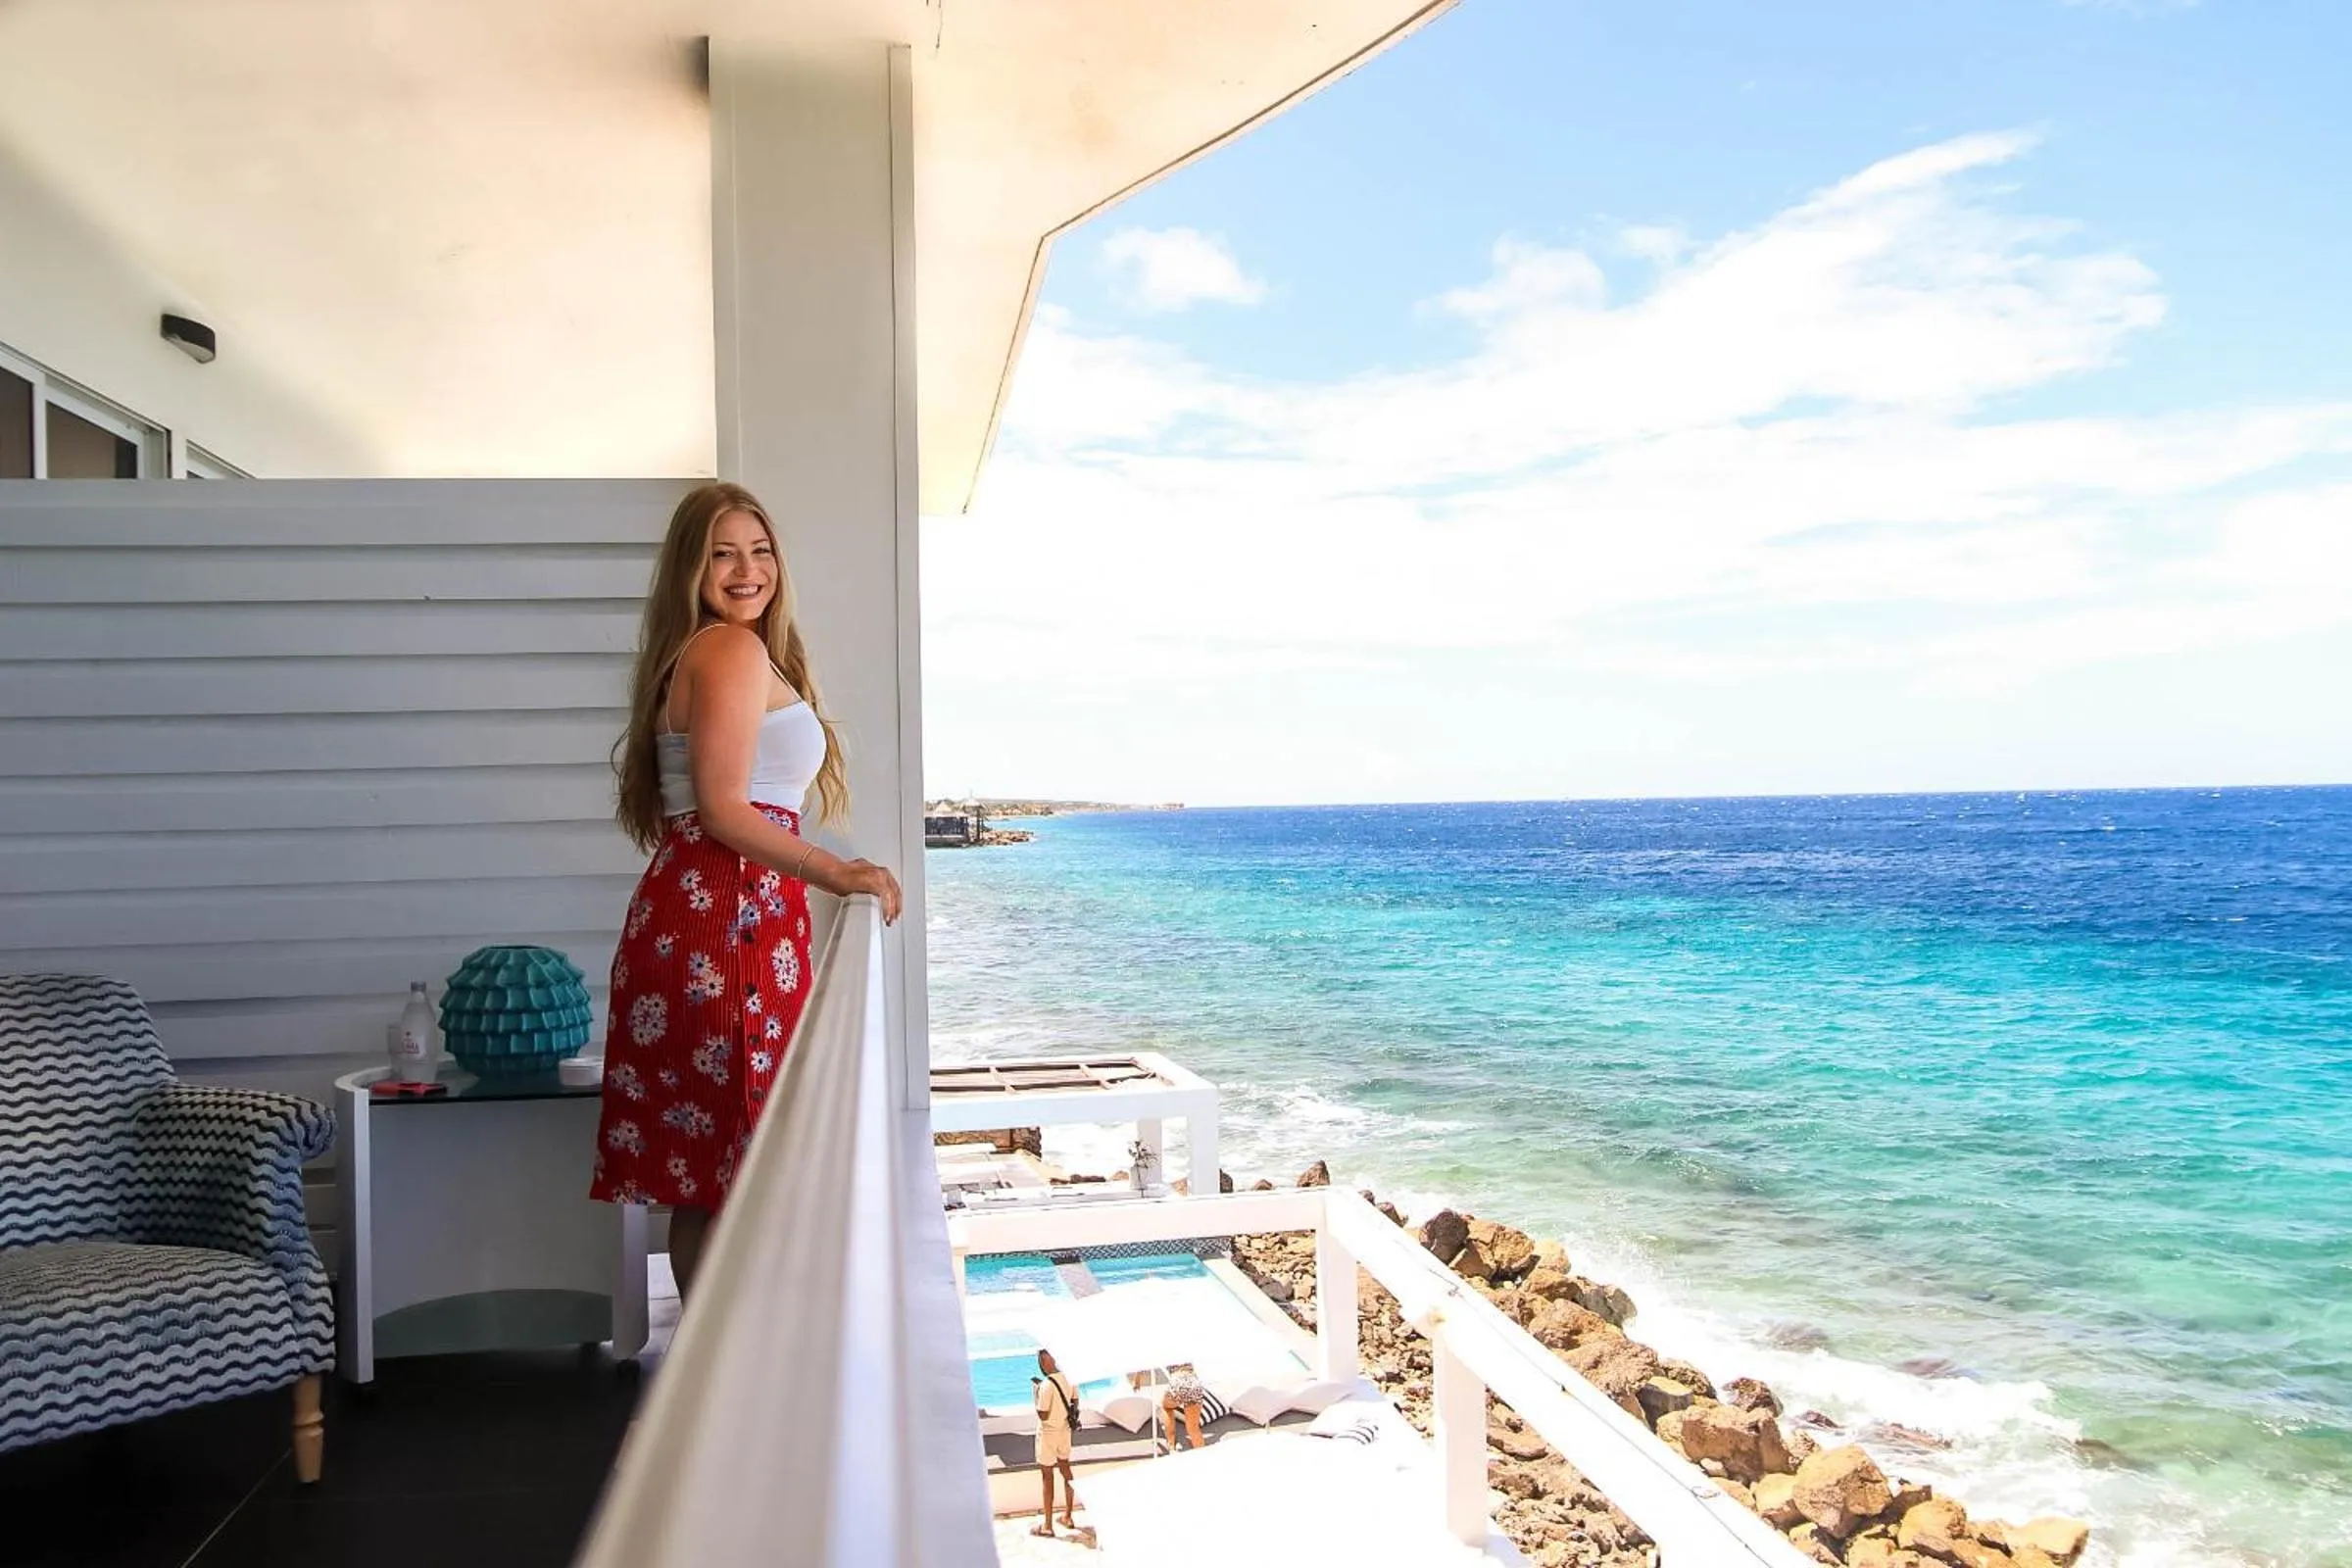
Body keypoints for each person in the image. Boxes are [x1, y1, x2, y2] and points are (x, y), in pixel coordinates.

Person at [590, 482, 902, 1297]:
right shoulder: (728, 649)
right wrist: (838, 870)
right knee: (744, 1173)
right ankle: (734, 1395)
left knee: (716, 1183)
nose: (746, 569)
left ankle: (708, 1394)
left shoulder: (702, 653)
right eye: (722, 552)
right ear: (691, 568)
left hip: (707, 920)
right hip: (729, 928)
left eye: (760, 550)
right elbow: (727, 810)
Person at [1031, 1348, 1081, 1537]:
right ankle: (1068, 1516)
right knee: (1066, 1469)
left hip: (1048, 1434)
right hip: (1064, 1431)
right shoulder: (1070, 1378)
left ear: (1044, 1363)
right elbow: (1075, 1402)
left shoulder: (1045, 1386)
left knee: (1047, 1476)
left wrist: (1036, 1394)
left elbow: (1043, 1414)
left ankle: (1048, 1525)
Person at [1160, 1362, 1209, 1451]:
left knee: (1166, 1407)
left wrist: (1136, 1381)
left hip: (1178, 1381)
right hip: (1194, 1382)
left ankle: (1171, 1445)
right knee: (1193, 1429)